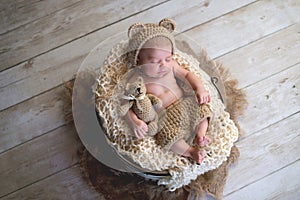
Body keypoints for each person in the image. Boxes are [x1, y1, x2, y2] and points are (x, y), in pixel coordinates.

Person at [125, 18, 211, 164]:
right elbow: (125, 105)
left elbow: (187, 74)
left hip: (184, 104)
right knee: (166, 137)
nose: (163, 65)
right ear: (138, 61)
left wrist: (199, 88)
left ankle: (200, 135)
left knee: (203, 109)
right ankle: (190, 152)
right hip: (164, 118)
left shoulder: (171, 66)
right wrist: (134, 122)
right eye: (154, 61)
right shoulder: (136, 80)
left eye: (167, 58)